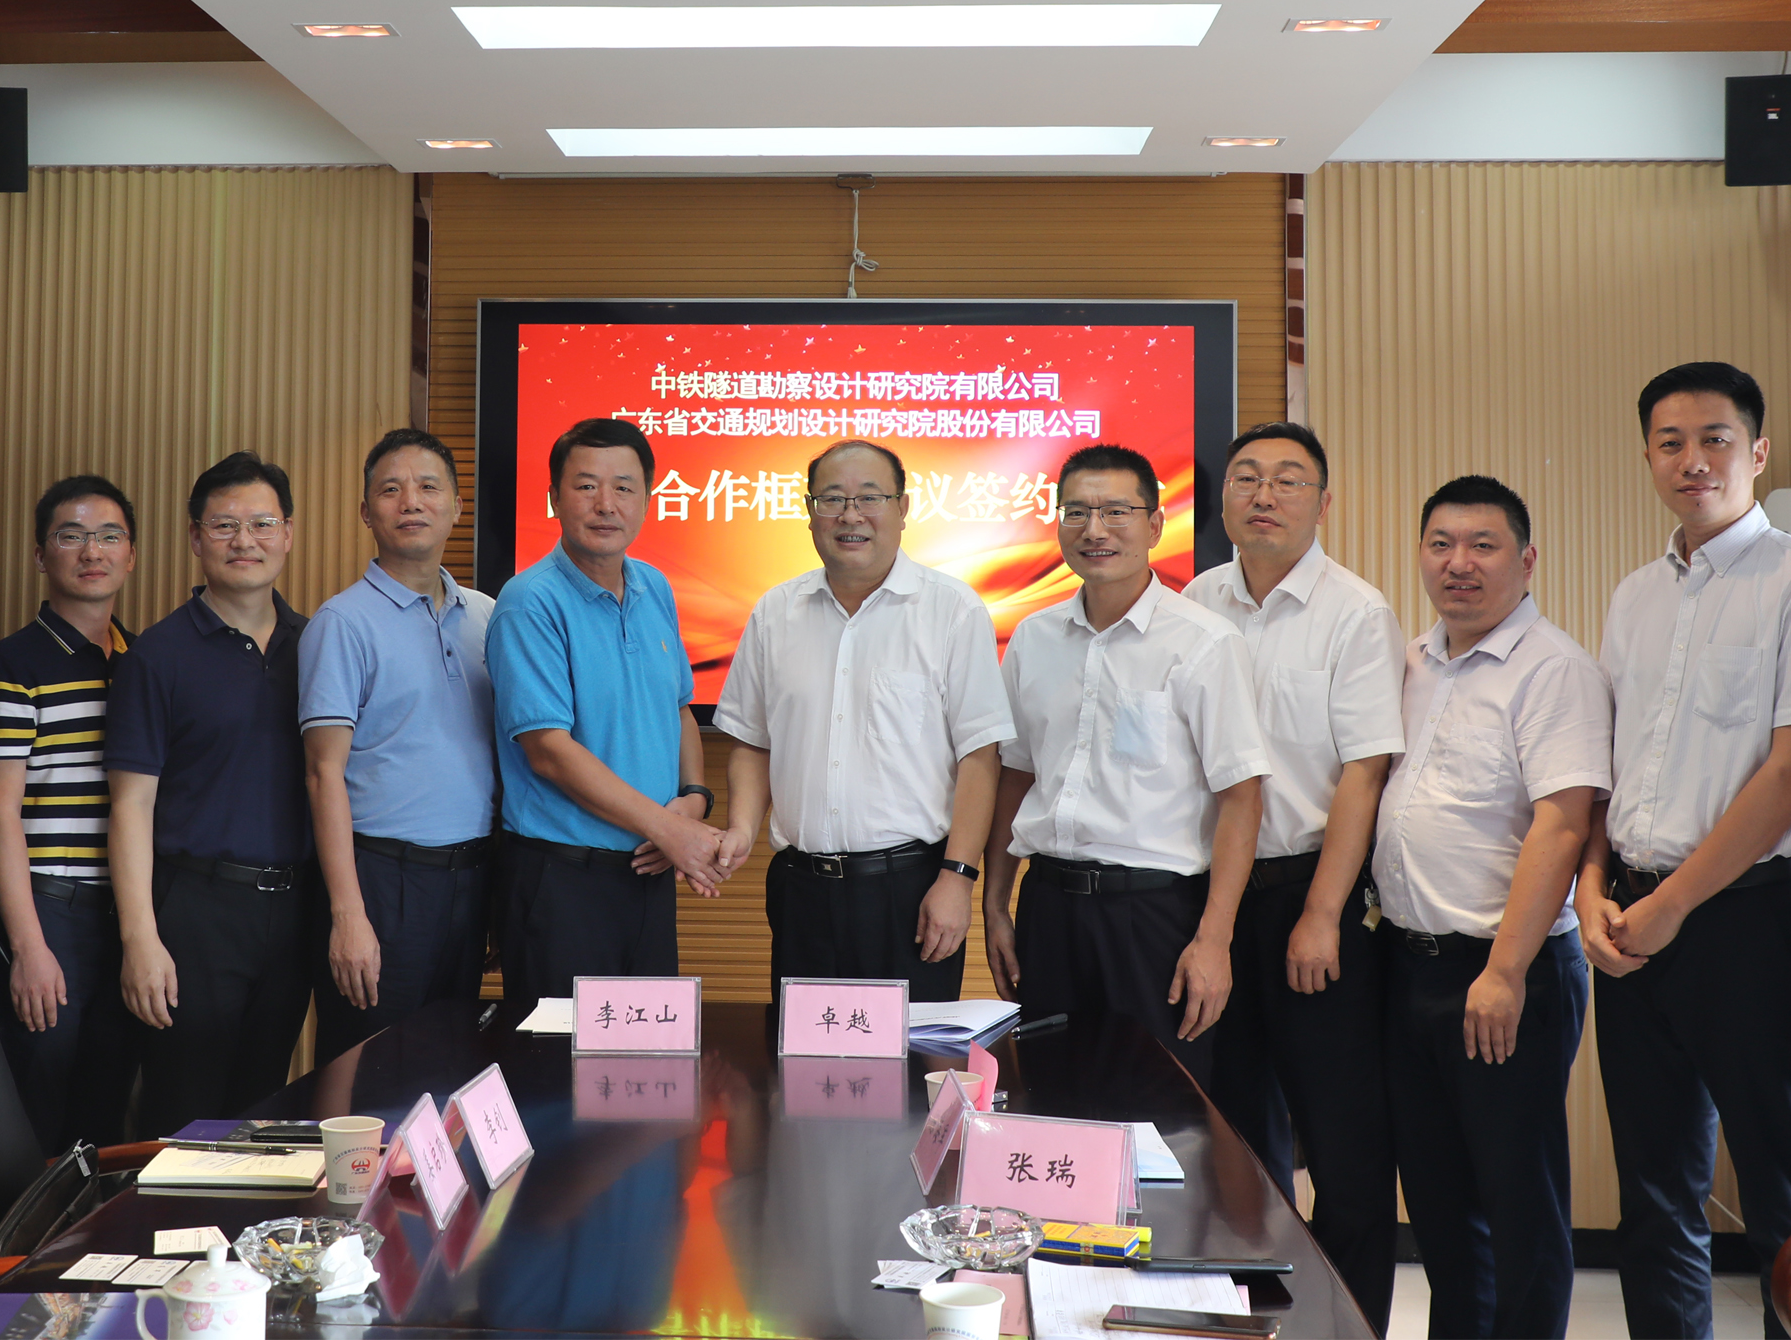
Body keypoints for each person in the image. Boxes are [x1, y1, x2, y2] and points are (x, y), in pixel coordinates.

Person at [1581, 364, 1791, 1339]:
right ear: (1648, 455)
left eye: (1715, 439)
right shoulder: (1634, 596)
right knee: (1655, 1193)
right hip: (1631, 913)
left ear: (1758, 452)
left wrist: (1671, 905)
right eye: (1671, 442)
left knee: (1790, 1192)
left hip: (1749, 915)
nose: (1692, 460)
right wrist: (1592, 892)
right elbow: (1610, 767)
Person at [1376, 474, 1608, 1340]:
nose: (1459, 563)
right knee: (1440, 1204)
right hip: (1409, 966)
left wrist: (1505, 972)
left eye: (1483, 545)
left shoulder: (1554, 669)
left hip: (1507, 971)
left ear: (1527, 559)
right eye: (1441, 544)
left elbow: (1563, 822)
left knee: (1519, 1206)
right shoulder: (1413, 660)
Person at [1187, 422, 1403, 1336]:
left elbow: (1365, 771)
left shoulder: (1355, 612)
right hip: (1215, 898)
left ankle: (1345, 1327)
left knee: (1346, 1147)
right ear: (1223, 499)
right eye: (1246, 478)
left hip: (1315, 892)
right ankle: (1250, 1319)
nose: (1264, 495)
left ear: (1324, 501)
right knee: (1235, 1139)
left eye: (1287, 479)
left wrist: (1322, 913)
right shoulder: (1196, 600)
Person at [982, 444, 1270, 1077]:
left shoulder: (1203, 642)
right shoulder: (1032, 638)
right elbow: (1016, 776)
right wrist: (996, 905)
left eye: (1116, 511)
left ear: (1155, 525)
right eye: (1077, 512)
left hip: (1154, 917)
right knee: (1050, 1096)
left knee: (1161, 1106)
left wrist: (1214, 939)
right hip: (1048, 910)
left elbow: (1242, 798)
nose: (1095, 529)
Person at [718, 440, 1013, 1003]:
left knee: (912, 1052)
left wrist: (957, 878)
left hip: (911, 891)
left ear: (903, 509)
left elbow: (979, 756)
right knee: (803, 1051)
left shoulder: (952, 609)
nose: (850, 515)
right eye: (832, 499)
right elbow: (753, 742)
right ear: (809, 512)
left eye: (870, 498)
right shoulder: (775, 611)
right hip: (800, 890)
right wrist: (740, 829)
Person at [487, 418, 746, 999]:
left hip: (647, 873)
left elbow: (679, 709)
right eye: (586, 486)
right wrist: (667, 827)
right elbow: (548, 751)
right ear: (554, 498)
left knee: (648, 1046)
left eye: (624, 487)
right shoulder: (529, 602)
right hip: (562, 880)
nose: (606, 504)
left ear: (648, 500)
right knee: (559, 1051)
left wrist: (694, 799)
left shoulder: (655, 587)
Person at [110, 451, 316, 1128]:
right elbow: (130, 805)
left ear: (288, 533)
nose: (244, 541)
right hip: (196, 911)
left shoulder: (316, 645)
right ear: (196, 538)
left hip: (293, 911)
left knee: (261, 1109)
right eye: (225, 526)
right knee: (184, 1115)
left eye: (262, 524)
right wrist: (140, 938)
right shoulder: (157, 655)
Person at [303, 429, 501, 1060]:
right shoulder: (342, 623)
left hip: (471, 880)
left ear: (457, 506)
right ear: (367, 512)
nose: (411, 501)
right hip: (382, 883)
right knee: (369, 1077)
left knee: (451, 1069)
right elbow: (322, 775)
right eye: (391, 490)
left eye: (428, 487)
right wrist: (347, 915)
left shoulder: (487, 617)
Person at [0, 475, 142, 1151]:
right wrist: (29, 946)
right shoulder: (9, 666)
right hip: (49, 910)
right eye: (71, 536)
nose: (92, 551)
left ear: (131, 554)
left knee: (107, 1111)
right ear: (41, 554)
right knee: (36, 1109)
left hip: (125, 914)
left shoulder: (141, 661)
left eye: (109, 536)